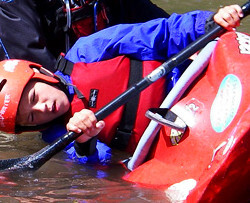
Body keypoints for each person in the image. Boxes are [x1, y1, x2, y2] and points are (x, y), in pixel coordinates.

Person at [0, 5, 244, 163]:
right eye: (32, 117)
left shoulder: (87, 52)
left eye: (34, 99)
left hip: (195, 84)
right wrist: (86, 143)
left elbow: (159, 34)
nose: (43, 109)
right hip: (176, 136)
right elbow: (102, 164)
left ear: (41, 73)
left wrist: (208, 24)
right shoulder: (58, 135)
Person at [0, 0, 170, 72]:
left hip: (100, 79)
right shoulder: (11, 6)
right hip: (54, 95)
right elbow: (33, 67)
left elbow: (158, 22)